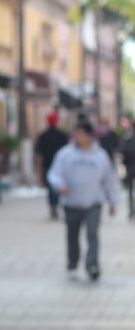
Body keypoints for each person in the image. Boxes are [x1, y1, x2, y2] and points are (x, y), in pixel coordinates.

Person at [47, 120, 119, 282]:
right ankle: (73, 263)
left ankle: (92, 265)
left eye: (81, 134)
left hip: (93, 202)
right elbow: (54, 173)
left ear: (89, 136)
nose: (77, 137)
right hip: (72, 203)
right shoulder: (65, 154)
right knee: (73, 235)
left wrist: (113, 201)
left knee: (92, 234)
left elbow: (109, 180)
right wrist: (60, 185)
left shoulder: (100, 156)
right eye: (75, 134)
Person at [35, 111, 69, 220]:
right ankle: (57, 205)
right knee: (59, 186)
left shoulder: (43, 136)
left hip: (47, 165)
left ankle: (54, 205)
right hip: (59, 166)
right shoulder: (62, 135)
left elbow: (39, 155)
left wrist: (39, 170)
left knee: (51, 187)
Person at [120, 117, 135, 218]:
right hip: (130, 167)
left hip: (130, 167)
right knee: (130, 189)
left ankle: (131, 209)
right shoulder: (127, 139)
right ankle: (131, 209)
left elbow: (124, 153)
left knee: (130, 190)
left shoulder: (127, 139)